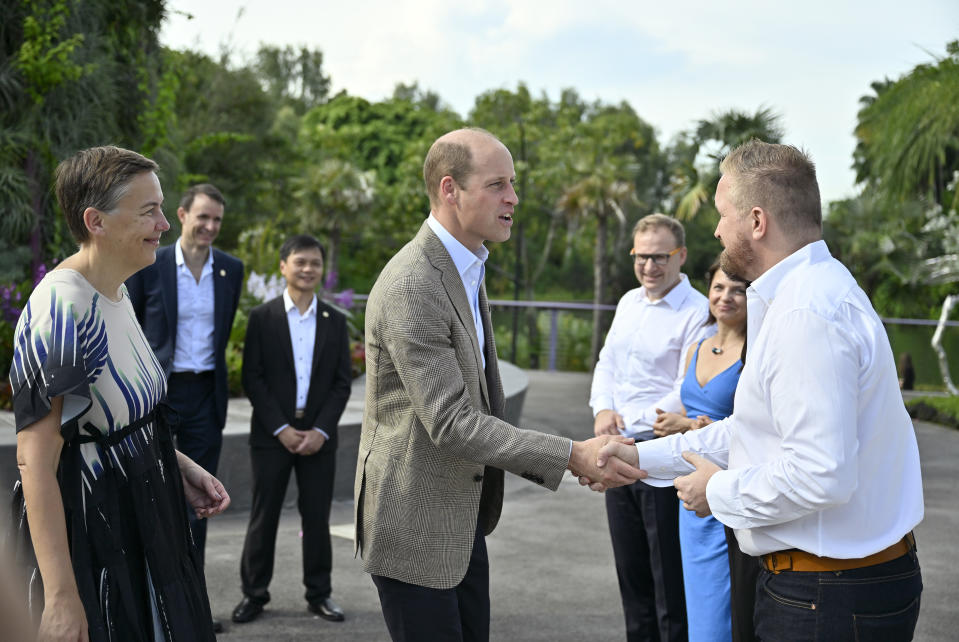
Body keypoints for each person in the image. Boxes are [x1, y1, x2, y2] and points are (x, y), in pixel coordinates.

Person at [596, 140, 924, 641]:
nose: (717, 230)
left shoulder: (804, 314)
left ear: (756, 221)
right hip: (832, 585)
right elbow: (752, 433)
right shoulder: (806, 292)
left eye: (723, 215)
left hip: (828, 596)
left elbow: (822, 475)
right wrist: (639, 458)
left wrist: (717, 490)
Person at [354, 127, 642, 642]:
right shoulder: (413, 284)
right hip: (414, 526)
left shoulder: (468, 266)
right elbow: (453, 423)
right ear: (450, 189)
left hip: (461, 522)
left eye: (513, 184)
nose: (513, 198)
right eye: (497, 185)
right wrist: (572, 454)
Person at [11, 146, 230, 641]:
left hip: (145, 523)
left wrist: (177, 465)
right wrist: (63, 599)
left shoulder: (116, 287)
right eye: (149, 210)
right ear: (96, 221)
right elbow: (34, 463)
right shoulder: (64, 308)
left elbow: (117, 418)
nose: (165, 223)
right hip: (97, 541)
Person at [125, 182, 243, 628]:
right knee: (152, 498)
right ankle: (149, 606)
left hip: (205, 400)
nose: (210, 226)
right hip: (157, 397)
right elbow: (133, 327)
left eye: (217, 219)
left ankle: (191, 608)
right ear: (181, 215)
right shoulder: (150, 266)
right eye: (203, 217)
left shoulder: (231, 269)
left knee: (201, 504)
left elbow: (223, 330)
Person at [589, 213, 709, 642]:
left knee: (668, 581)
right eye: (641, 257)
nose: (649, 267)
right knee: (632, 574)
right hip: (616, 447)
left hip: (661, 454)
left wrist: (632, 426)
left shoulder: (698, 311)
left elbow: (686, 386)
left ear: (681, 256)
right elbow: (607, 363)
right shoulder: (628, 302)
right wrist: (604, 408)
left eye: (659, 257)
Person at [231, 234, 352, 625]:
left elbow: (341, 383)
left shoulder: (335, 321)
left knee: (316, 517)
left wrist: (321, 430)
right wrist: (281, 428)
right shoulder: (262, 317)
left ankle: (320, 594)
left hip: (318, 436)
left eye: (315, 263)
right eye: (300, 262)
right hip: (272, 435)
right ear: (283, 266)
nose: (307, 269)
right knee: (263, 516)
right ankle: (254, 594)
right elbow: (254, 377)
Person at [652, 261, 754, 642]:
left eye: (737, 290)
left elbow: (750, 426)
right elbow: (684, 401)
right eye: (718, 288)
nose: (725, 297)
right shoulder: (697, 345)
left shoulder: (754, 351)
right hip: (689, 494)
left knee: (725, 611)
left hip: (727, 491)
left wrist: (688, 426)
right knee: (697, 604)